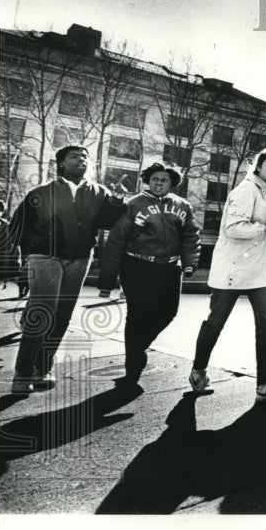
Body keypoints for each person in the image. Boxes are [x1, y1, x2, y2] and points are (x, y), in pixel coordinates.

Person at [8, 145, 126, 393]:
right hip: (46, 258)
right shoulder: (42, 192)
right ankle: (22, 373)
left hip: (80, 259)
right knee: (42, 311)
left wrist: (116, 202)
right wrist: (34, 248)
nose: (81, 160)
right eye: (74, 156)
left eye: (85, 157)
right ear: (61, 163)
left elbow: (106, 222)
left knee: (62, 314)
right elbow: (19, 226)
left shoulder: (99, 192)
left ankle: (43, 368)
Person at [189, 147, 266, 403]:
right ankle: (198, 371)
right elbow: (234, 228)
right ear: (258, 165)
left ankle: (265, 384)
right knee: (215, 323)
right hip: (233, 269)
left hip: (261, 272)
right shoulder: (246, 189)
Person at [97, 162, 201, 389]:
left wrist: (190, 263)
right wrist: (107, 280)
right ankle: (132, 370)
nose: (159, 183)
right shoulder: (133, 204)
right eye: (155, 179)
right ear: (147, 180)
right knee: (138, 316)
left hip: (170, 269)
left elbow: (191, 236)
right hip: (137, 267)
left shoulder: (182, 206)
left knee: (168, 313)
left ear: (172, 183)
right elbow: (116, 242)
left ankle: (137, 348)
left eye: (164, 180)